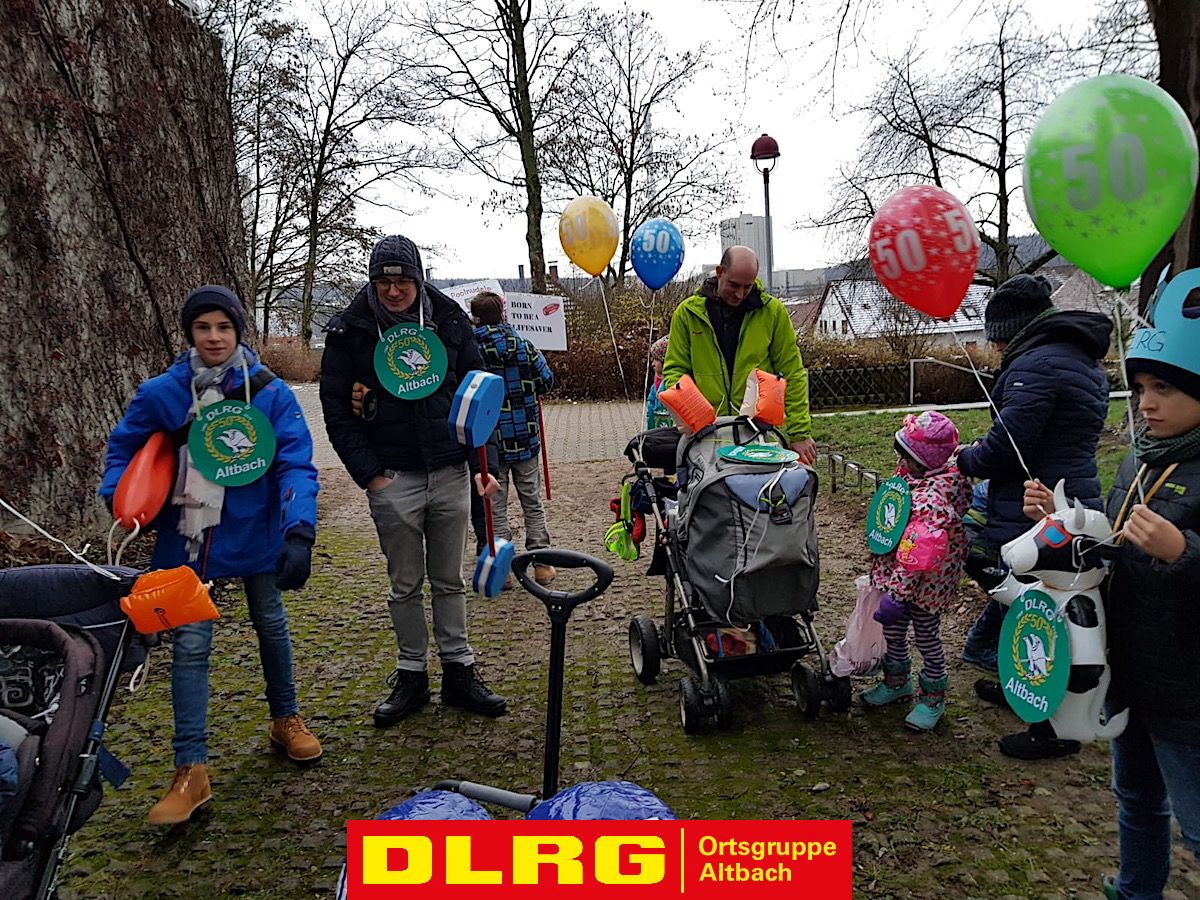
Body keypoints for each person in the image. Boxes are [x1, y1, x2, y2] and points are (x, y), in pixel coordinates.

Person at [99, 285, 321, 826]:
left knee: (271, 624)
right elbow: (123, 449)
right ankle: (190, 769)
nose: (214, 337)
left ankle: (286, 718)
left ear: (238, 331)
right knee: (191, 646)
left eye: (224, 327)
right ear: (190, 333)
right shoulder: (162, 394)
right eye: (203, 327)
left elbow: (295, 461)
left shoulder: (269, 393)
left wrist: (299, 530)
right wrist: (120, 498)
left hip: (257, 530)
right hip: (189, 538)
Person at [1022, 282, 1200, 899]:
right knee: (1137, 798)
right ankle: (1135, 888)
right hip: (1131, 667)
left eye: (1164, 389)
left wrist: (1183, 551)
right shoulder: (1140, 459)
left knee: (1197, 822)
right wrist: (1062, 517)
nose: (1146, 403)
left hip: (1187, 687)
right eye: (1142, 387)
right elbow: (1113, 540)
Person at [319, 235, 506, 728]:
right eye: (383, 281)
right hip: (393, 475)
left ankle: (459, 670)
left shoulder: (449, 319)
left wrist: (483, 467)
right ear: (372, 282)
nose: (393, 290)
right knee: (404, 585)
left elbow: (480, 394)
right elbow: (335, 408)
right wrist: (370, 475)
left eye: (403, 280)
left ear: (418, 279)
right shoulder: (351, 330)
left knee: (449, 579)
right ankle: (411, 675)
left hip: (449, 470)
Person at [956, 274, 1111, 675]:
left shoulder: (1036, 366)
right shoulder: (1081, 358)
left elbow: (1006, 447)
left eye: (998, 338)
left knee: (1025, 583)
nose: (995, 347)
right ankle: (991, 652)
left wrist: (965, 458)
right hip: (1073, 492)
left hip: (1034, 501)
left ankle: (1020, 671)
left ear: (1014, 330)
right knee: (1042, 582)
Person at [861, 411, 972, 731]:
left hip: (927, 585)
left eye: (906, 458)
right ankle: (897, 681)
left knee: (926, 636)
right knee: (893, 632)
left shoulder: (931, 503)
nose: (901, 463)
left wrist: (896, 595)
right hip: (900, 576)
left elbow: (915, 557)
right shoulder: (918, 478)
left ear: (924, 461)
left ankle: (933, 696)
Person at [661, 246, 816, 463]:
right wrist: (691, 417)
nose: (740, 294)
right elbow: (675, 371)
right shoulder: (687, 314)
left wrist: (799, 433)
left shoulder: (772, 313)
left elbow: (792, 372)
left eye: (747, 286)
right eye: (734, 285)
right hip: (705, 434)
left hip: (759, 433)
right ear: (719, 272)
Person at [469, 290, 556, 589]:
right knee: (532, 502)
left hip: (489, 441)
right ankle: (542, 564)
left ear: (475, 317)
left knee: (495, 507)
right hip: (525, 435)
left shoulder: (472, 350)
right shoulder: (524, 346)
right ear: (503, 314)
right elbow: (547, 381)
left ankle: (502, 569)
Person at [645, 336, 673, 430]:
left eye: (656, 360)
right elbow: (651, 407)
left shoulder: (672, 384)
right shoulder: (655, 385)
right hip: (657, 429)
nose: (652, 364)